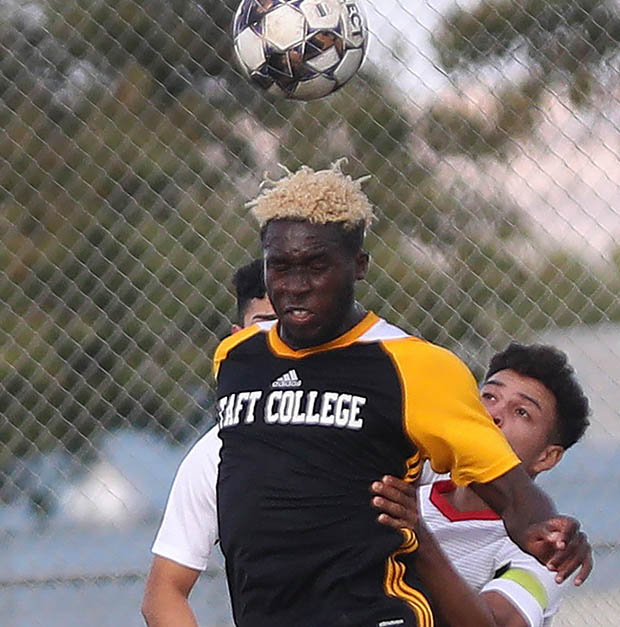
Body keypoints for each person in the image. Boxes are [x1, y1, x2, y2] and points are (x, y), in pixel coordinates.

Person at [143, 162, 591, 627]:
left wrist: (547, 531)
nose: (295, 286)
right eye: (280, 266)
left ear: (358, 266)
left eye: (317, 266)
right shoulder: (236, 358)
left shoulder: (417, 368)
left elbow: (516, 496)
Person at [371, 343, 591, 627]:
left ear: (547, 457)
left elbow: (496, 623)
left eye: (521, 412)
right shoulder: (406, 483)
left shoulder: (544, 549)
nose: (493, 415)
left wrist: (419, 539)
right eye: (489, 396)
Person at [142, 258, 276, 627]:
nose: (278, 342)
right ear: (235, 337)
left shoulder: (371, 415)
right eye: (264, 326)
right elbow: (163, 593)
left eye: (291, 327)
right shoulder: (216, 453)